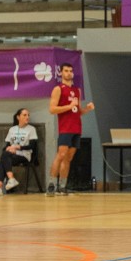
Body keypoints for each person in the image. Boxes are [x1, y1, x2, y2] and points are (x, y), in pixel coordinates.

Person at [47, 62, 95, 197]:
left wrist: (87, 109)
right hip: (65, 128)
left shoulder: (76, 91)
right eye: (66, 70)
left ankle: (62, 186)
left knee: (68, 158)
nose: (69, 73)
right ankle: (51, 185)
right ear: (61, 73)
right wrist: (68, 106)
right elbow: (52, 109)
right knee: (60, 155)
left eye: (70, 71)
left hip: (76, 128)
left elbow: (77, 111)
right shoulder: (58, 89)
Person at [0, 108, 37, 197]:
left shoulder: (31, 129)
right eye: (24, 115)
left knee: (3, 160)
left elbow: (32, 146)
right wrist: (9, 148)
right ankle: (7, 182)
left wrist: (17, 147)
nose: (27, 117)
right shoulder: (12, 129)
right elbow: (7, 145)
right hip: (11, 155)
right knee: (5, 155)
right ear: (18, 117)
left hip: (24, 155)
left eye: (28, 115)